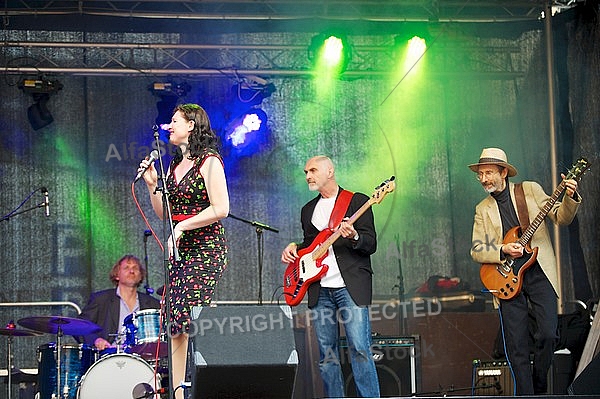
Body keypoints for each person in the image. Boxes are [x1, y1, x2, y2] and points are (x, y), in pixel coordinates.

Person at [469, 148, 581, 395]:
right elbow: (477, 249)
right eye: (480, 174)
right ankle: (526, 396)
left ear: (504, 172)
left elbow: (561, 218)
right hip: (506, 278)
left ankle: (539, 386)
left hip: (539, 271)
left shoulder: (529, 190)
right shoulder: (482, 209)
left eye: (488, 173)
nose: (483, 178)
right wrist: (503, 249)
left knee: (549, 333)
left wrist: (570, 196)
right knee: (516, 345)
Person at [139, 103, 229, 399]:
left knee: (189, 316)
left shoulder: (210, 161)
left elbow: (221, 208)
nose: (170, 126)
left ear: (192, 125)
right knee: (175, 322)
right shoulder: (174, 168)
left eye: (175, 121)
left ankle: (207, 382)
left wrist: (182, 228)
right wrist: (153, 185)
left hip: (205, 248)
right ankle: (177, 392)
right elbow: (165, 214)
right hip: (181, 252)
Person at [281, 155, 380, 398]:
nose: (308, 176)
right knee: (327, 355)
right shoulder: (308, 210)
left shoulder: (357, 202)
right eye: (306, 172)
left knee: (360, 349)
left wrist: (354, 236)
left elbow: (370, 243)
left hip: (350, 286)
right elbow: (310, 244)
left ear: (330, 170)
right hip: (319, 288)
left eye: (313, 170)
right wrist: (294, 246)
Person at [78, 254, 160, 352]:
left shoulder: (152, 304)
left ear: (141, 276)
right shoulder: (101, 300)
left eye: (135, 268)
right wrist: (96, 340)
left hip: (142, 358)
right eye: (126, 268)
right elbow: (80, 326)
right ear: (117, 275)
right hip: (108, 356)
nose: (131, 271)